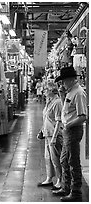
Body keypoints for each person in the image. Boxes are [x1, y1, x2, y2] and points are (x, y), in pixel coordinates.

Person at [52, 66, 87, 202]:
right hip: (68, 130)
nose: (62, 84)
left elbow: (83, 116)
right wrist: (62, 96)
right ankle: (66, 187)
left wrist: (68, 124)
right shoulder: (70, 92)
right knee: (64, 160)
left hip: (73, 130)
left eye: (64, 81)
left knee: (73, 162)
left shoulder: (78, 93)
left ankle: (76, 192)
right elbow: (67, 111)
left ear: (71, 80)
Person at [37, 78, 63, 190]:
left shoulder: (57, 103)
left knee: (56, 158)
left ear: (51, 90)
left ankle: (60, 180)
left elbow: (58, 121)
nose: (43, 91)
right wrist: (42, 131)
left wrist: (54, 137)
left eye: (45, 89)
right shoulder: (49, 102)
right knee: (48, 157)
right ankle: (49, 177)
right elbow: (46, 119)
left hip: (54, 134)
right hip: (47, 133)